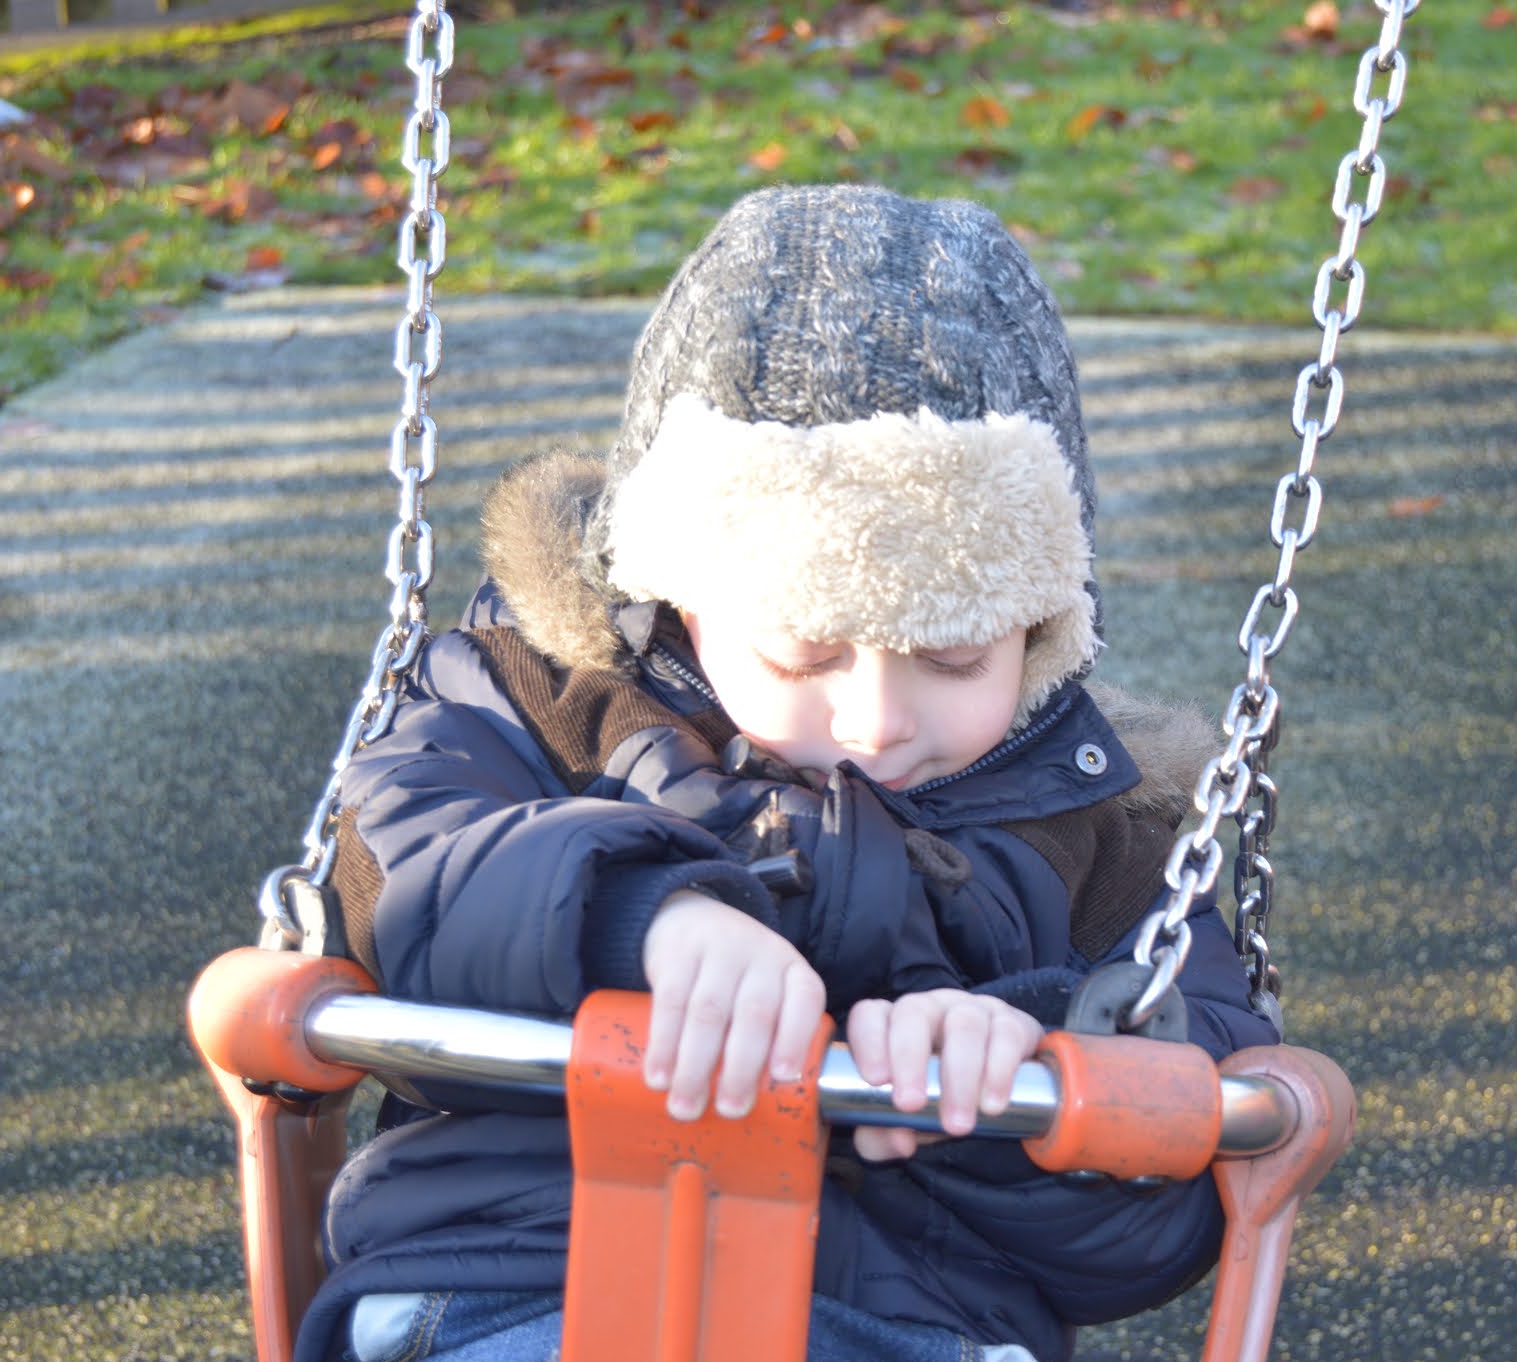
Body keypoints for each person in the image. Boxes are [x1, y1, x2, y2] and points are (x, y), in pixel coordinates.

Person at [294, 184, 1280, 1362]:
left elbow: (1179, 1181)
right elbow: (395, 870)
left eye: (952, 656)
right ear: (675, 593)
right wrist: (634, 917)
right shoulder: (539, 708)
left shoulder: (1108, 837)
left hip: (908, 1327)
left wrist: (1025, 1067)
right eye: (801, 651)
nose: (873, 718)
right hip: (519, 1279)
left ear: (1039, 628)